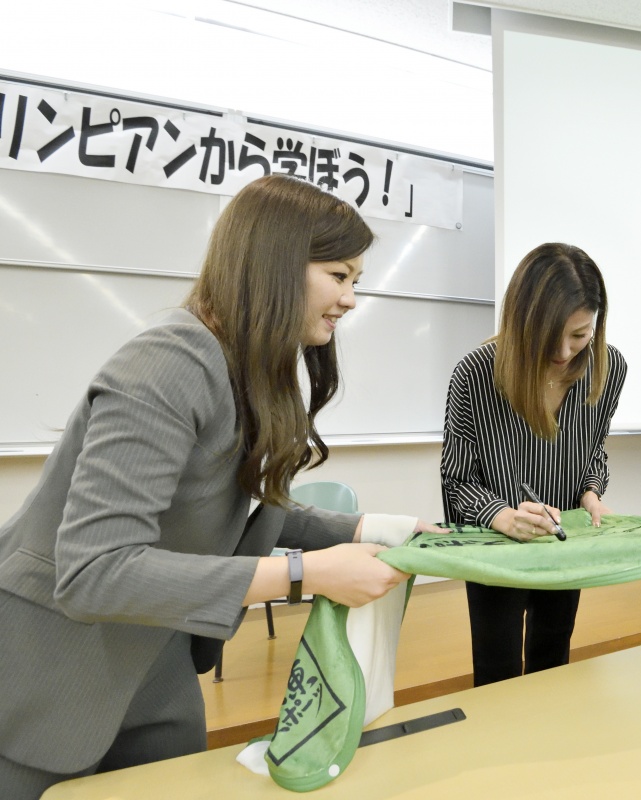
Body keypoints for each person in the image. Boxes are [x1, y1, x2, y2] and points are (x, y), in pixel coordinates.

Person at [0, 174, 441, 799]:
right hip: (49, 669)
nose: (349, 299)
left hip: (155, 660)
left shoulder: (244, 367)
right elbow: (95, 570)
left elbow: (236, 507)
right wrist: (304, 575)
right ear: (277, 266)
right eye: (339, 276)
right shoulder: (168, 364)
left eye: (356, 281)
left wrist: (382, 531)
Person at [440, 242, 627, 686]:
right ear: (522, 321)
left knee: (553, 654)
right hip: (496, 548)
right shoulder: (476, 374)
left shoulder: (608, 367)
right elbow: (457, 478)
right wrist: (502, 515)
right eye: (550, 336)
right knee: (497, 667)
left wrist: (590, 492)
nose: (564, 351)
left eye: (580, 335)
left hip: (563, 541)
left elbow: (593, 449)